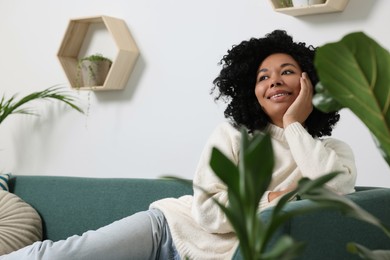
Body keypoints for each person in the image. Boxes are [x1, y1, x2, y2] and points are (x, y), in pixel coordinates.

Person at [0, 30, 357, 260]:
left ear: (310, 82)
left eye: (288, 71)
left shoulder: (332, 153)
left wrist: (294, 125)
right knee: (60, 257)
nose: (274, 81)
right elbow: (209, 214)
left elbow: (336, 188)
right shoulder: (233, 135)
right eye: (263, 76)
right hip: (169, 229)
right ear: (252, 91)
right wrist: (276, 199)